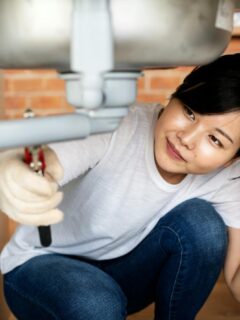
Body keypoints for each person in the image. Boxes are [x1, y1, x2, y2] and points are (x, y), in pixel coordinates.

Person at [1, 53, 240, 320]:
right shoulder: (119, 124)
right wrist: (14, 169)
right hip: (39, 266)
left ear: (233, 159)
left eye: (216, 140)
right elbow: (55, 159)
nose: (187, 139)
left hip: (123, 274)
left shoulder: (228, 177)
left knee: (204, 226)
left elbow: (236, 273)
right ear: (177, 93)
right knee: (98, 304)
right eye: (189, 112)